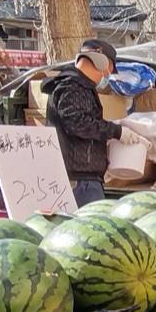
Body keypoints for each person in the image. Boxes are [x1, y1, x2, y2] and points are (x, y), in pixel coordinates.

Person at [42, 38, 143, 206]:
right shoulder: (72, 87)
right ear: (101, 61)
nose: (108, 75)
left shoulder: (80, 87)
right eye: (110, 69)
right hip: (81, 181)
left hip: (84, 179)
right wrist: (115, 131)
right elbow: (77, 122)